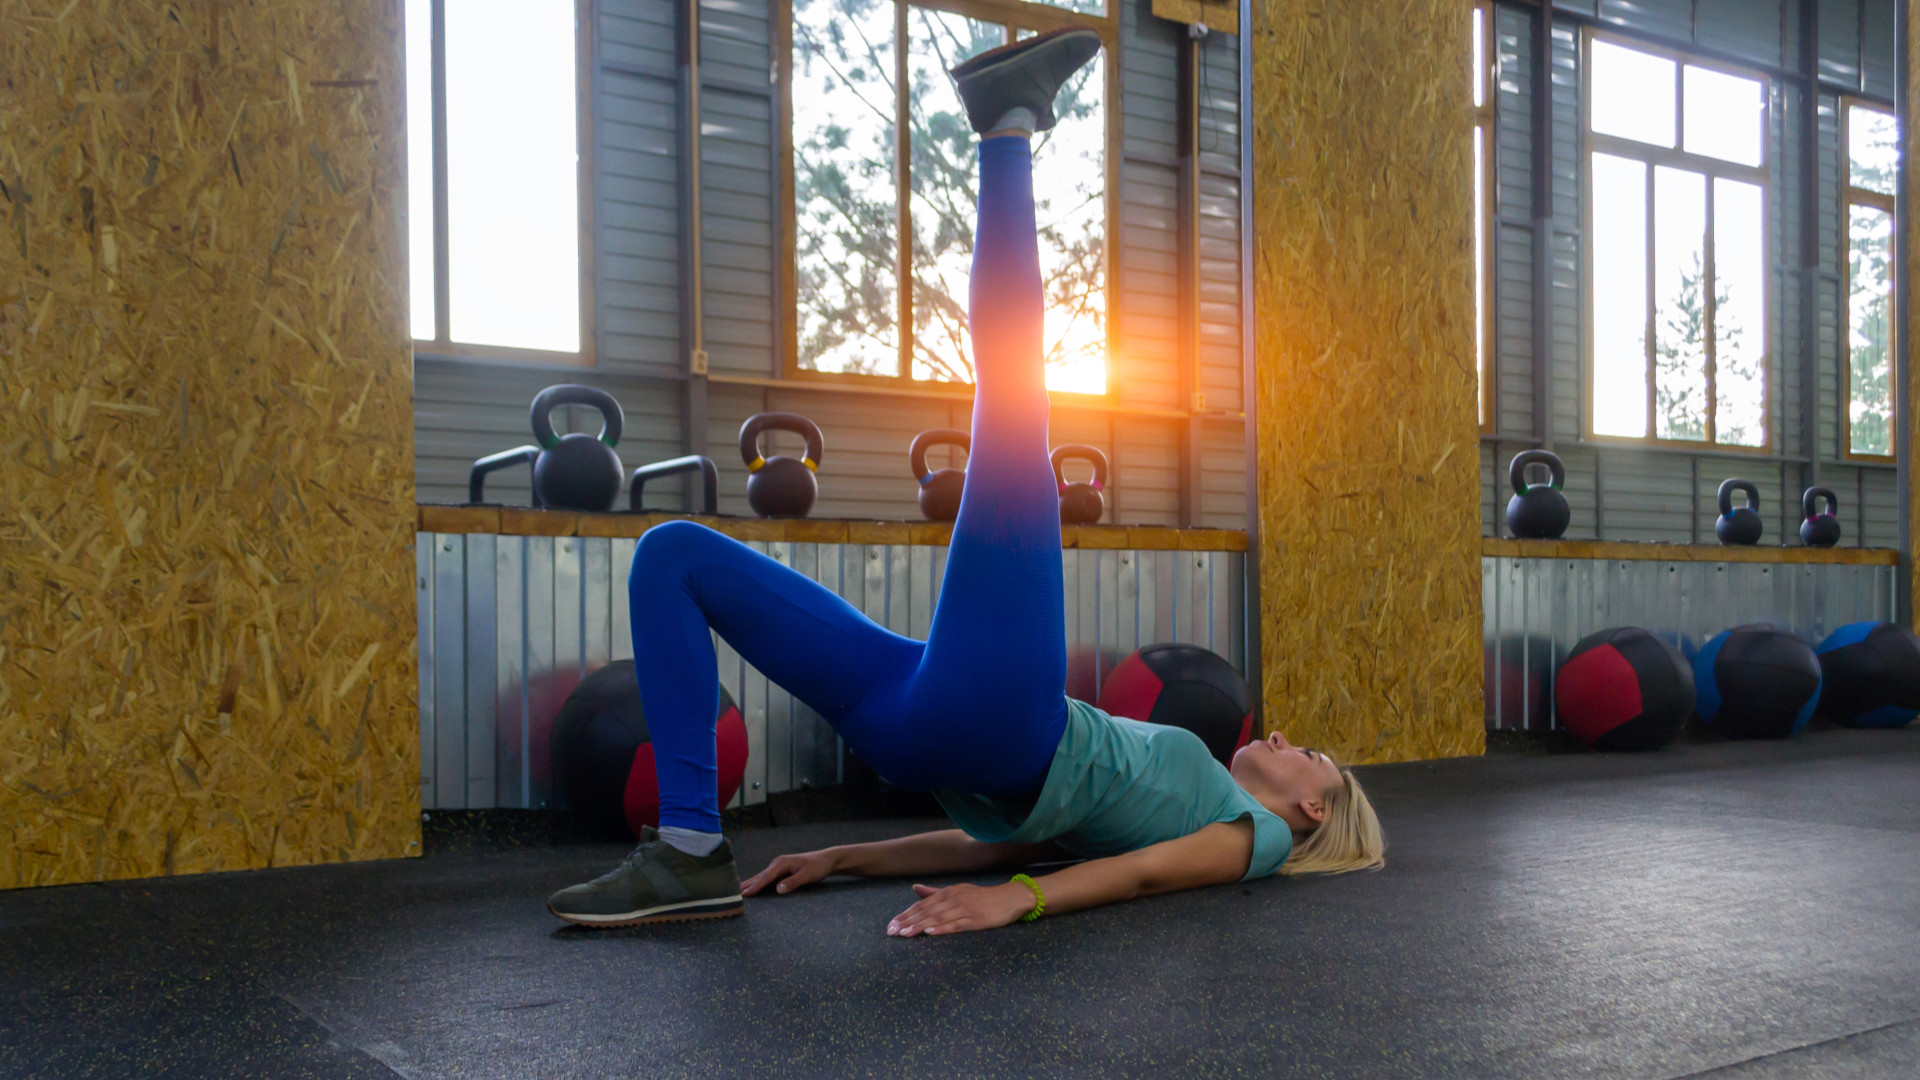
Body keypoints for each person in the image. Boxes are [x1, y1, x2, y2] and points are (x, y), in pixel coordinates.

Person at [546, 27, 1384, 935]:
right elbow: (1015, 841)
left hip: (1002, 724)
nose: (1289, 742)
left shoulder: (1251, 833)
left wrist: (1011, 906)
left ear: (1312, 810)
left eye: (1312, 759)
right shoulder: (1192, 785)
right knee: (673, 556)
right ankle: (690, 850)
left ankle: (1007, 130)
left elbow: (1144, 878)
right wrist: (845, 857)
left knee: (1017, 398)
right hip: (925, 719)